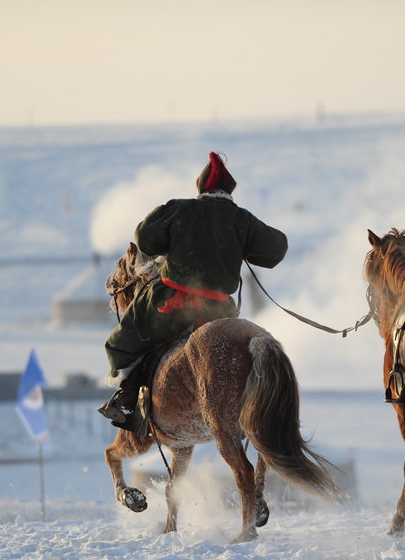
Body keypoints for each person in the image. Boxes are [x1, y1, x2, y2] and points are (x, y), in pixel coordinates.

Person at [99, 152, 288, 429]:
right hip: (218, 312)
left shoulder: (180, 209)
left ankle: (127, 402)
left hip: (169, 306)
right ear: (229, 191)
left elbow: (145, 238)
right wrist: (243, 243)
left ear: (201, 188)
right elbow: (277, 248)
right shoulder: (242, 220)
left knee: (119, 343)